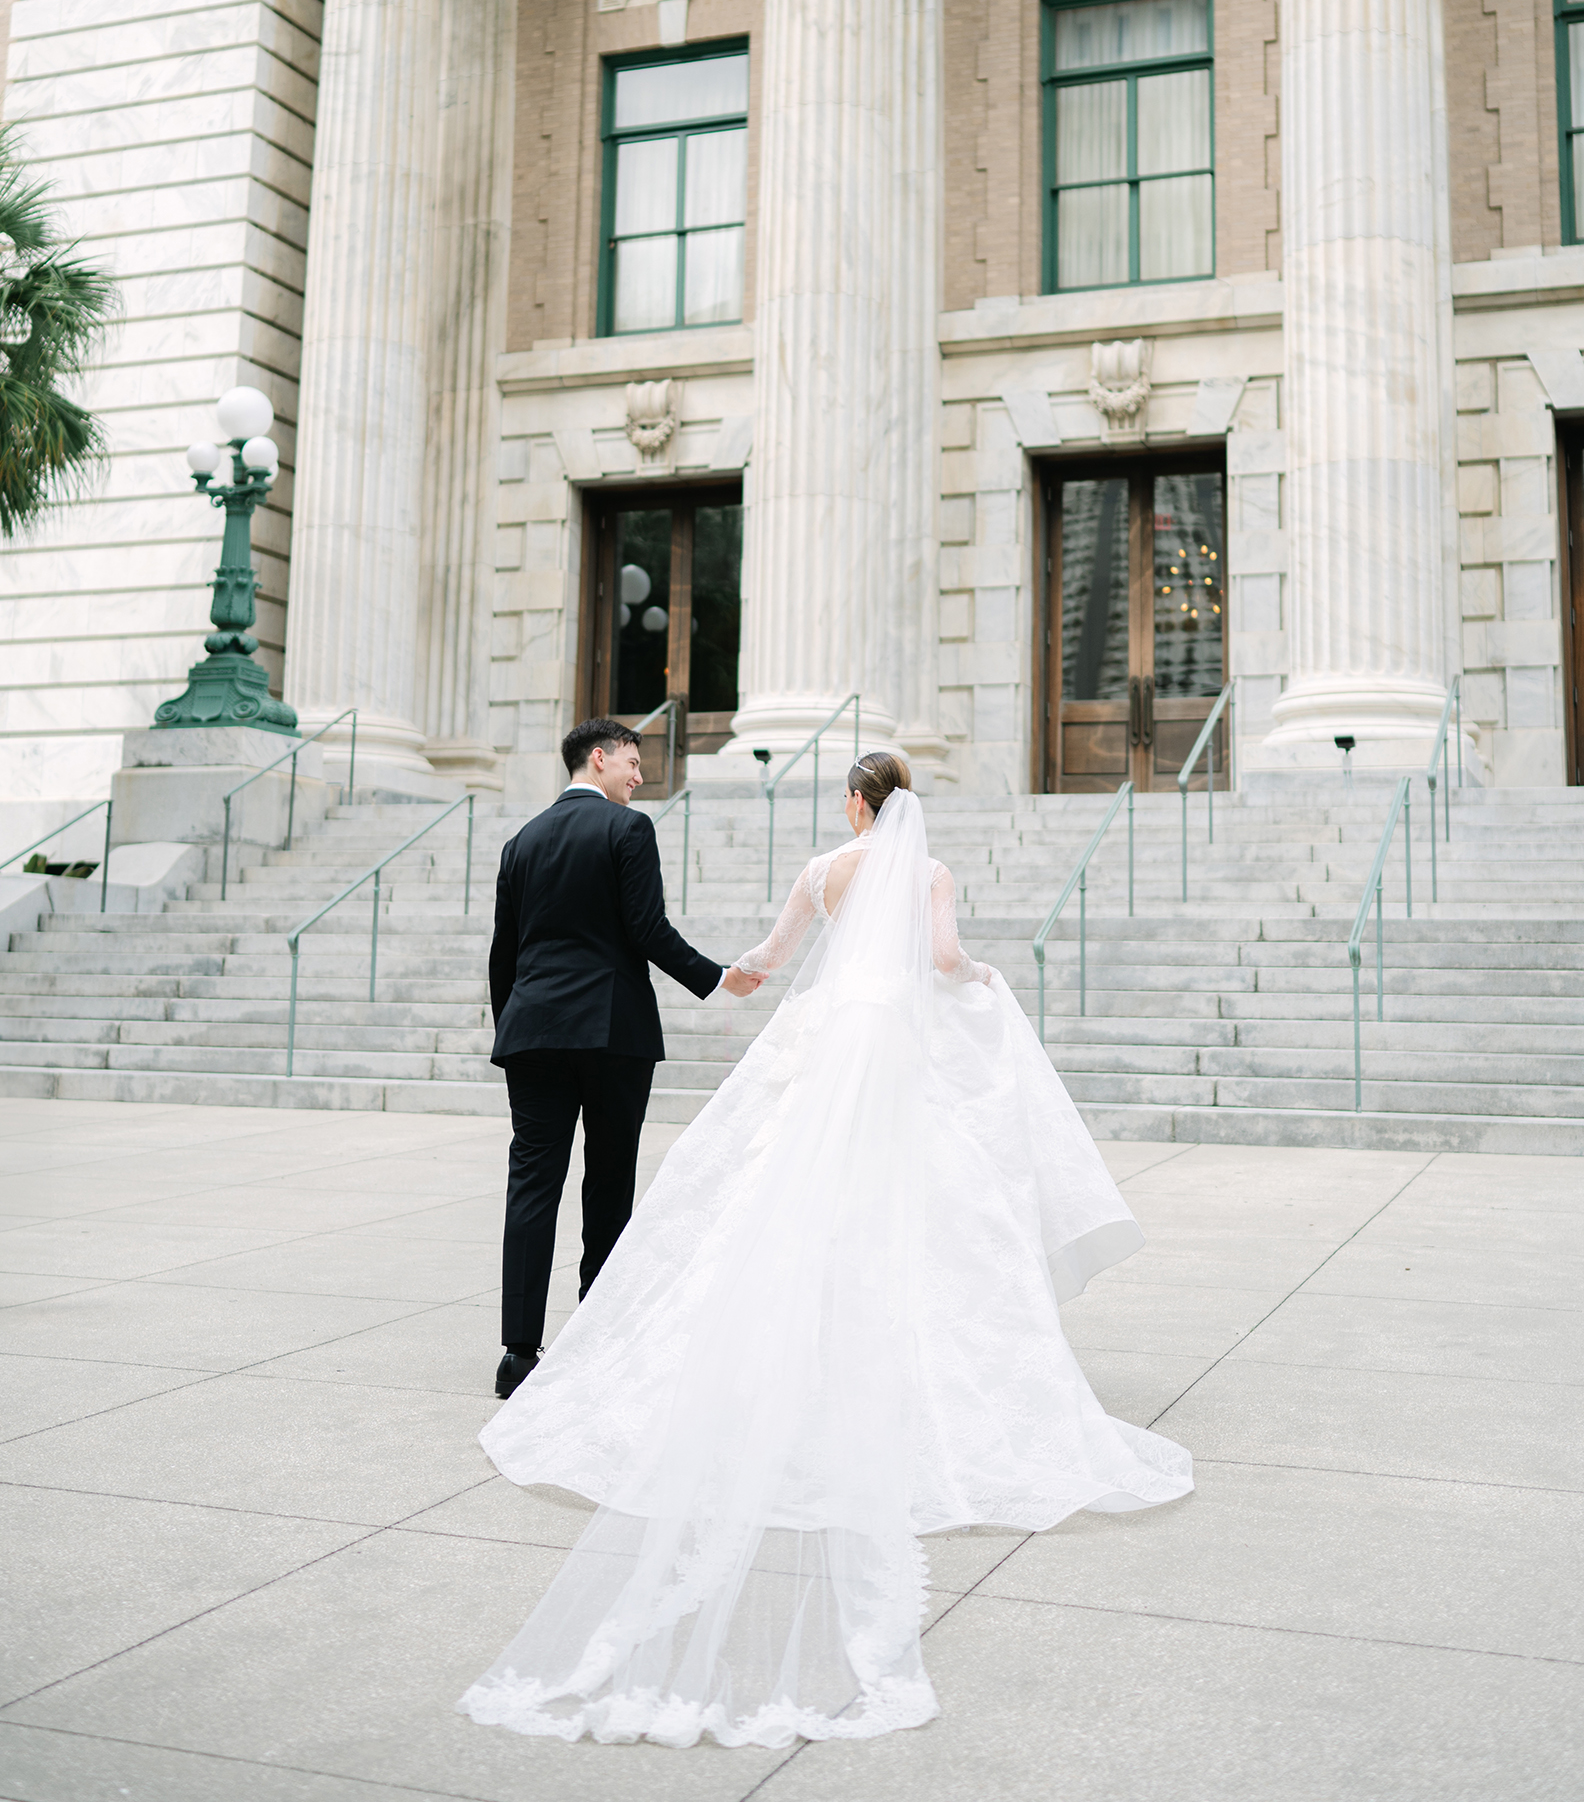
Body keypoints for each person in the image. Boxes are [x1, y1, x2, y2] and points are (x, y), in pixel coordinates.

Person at [461, 751, 1193, 1749]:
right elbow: (942, 963)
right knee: (921, 1211)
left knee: (764, 1200)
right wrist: (982, 976)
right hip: (897, 1049)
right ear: (902, 811)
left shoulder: (820, 869)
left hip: (813, 1042)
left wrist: (739, 975)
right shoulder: (928, 876)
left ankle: (670, 1362)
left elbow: (771, 949)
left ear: (855, 805)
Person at [486, 716, 766, 1400]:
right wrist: (714, 976)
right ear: (599, 758)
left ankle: (517, 1355)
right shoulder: (627, 829)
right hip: (611, 1032)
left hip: (531, 1033)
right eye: (633, 764)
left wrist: (512, 1028)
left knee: (532, 1186)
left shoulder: (519, 842)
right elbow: (646, 929)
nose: (640, 777)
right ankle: (597, 1339)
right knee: (608, 1182)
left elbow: (503, 954)